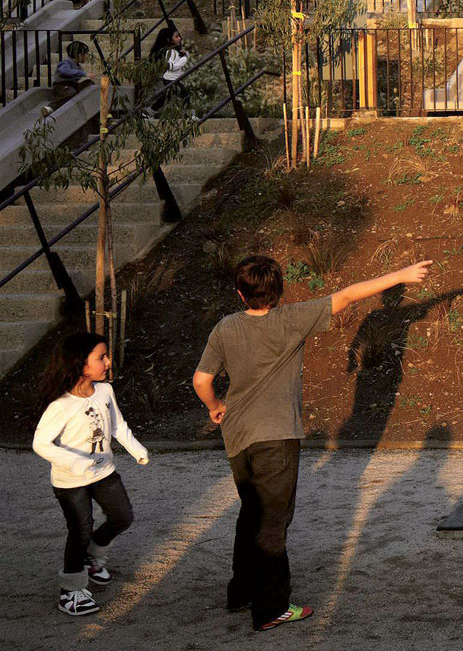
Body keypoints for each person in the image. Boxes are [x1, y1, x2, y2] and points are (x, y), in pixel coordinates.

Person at [193, 253, 433, 630]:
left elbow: (201, 381)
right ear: (279, 291)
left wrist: (215, 408)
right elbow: (350, 295)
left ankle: (241, 591)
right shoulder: (293, 318)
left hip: (237, 434)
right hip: (277, 435)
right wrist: (401, 274)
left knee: (251, 513)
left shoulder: (225, 328)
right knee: (273, 522)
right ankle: (271, 608)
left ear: (239, 293)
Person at [34, 331, 149, 617]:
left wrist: (136, 449)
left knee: (123, 516)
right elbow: (40, 443)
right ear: (80, 364)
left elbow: (117, 425)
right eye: (101, 357)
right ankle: (71, 590)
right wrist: (73, 463)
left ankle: (94, 556)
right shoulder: (61, 405)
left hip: (104, 471)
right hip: (71, 482)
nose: (108, 361)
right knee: (80, 530)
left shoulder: (105, 391)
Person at [51, 41, 94, 107]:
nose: (87, 56)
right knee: (70, 92)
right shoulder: (66, 62)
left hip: (72, 85)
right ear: (80, 55)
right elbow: (64, 70)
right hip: (61, 86)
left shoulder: (78, 65)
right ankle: (51, 106)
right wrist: (83, 73)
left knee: (89, 83)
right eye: (86, 54)